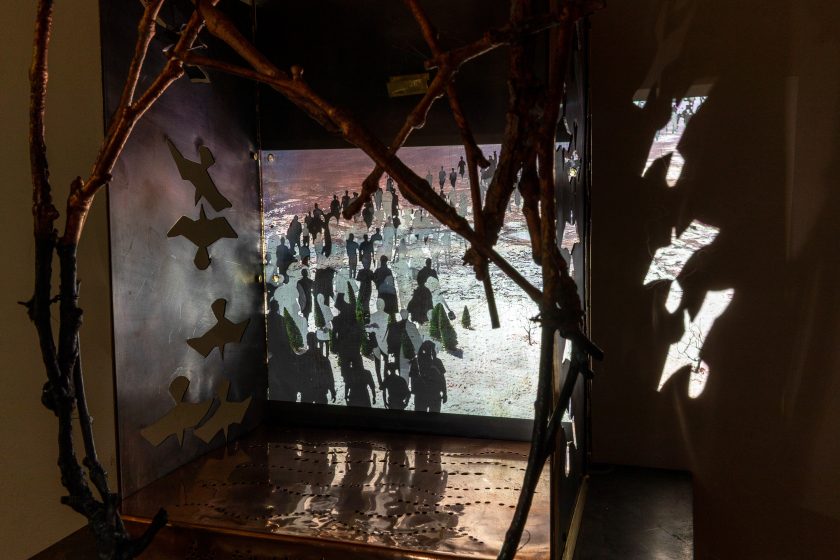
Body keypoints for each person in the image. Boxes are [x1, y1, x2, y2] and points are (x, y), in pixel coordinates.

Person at [411, 340, 447, 412]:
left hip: (422, 395)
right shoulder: (437, 362)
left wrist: (414, 390)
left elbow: (413, 378)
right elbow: (442, 378)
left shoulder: (416, 361)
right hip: (433, 394)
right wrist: (444, 393)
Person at [300, 332, 336, 404]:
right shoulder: (323, 359)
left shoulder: (302, 359)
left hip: (309, 391)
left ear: (307, 343)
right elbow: (329, 375)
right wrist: (332, 389)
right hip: (319, 391)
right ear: (316, 342)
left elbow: (299, 376)